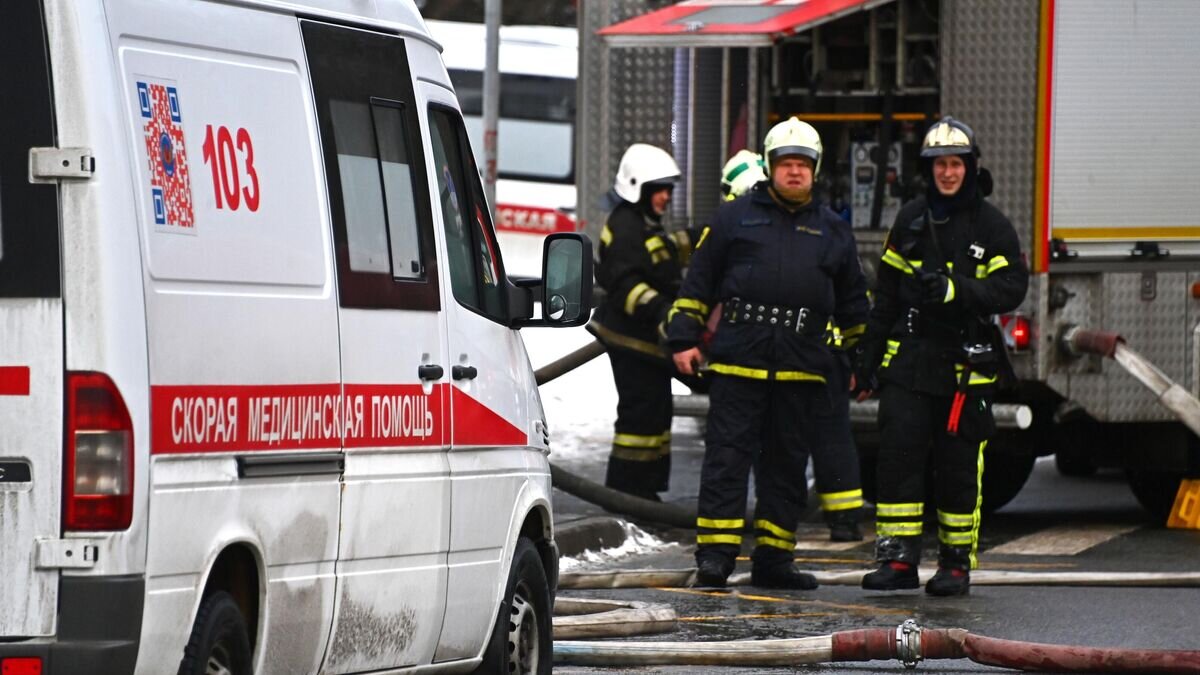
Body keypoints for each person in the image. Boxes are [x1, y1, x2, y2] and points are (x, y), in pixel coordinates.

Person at [668, 118, 870, 589]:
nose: (795, 172)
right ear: (771, 166)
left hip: (801, 369)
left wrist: (863, 361)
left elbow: (854, 303)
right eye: (787, 164)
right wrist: (683, 338)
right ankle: (715, 558)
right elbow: (698, 282)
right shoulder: (733, 218)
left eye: (803, 164)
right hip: (740, 364)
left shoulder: (834, 231)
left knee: (785, 469)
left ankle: (774, 560)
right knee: (727, 461)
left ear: (814, 171)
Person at [854, 117, 1029, 596]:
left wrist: (958, 290)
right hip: (909, 360)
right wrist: (868, 357)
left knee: (957, 467)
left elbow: (1012, 286)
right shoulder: (910, 219)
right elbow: (886, 295)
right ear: (928, 170)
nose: (947, 173)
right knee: (898, 459)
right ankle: (897, 562)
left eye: (956, 164)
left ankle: (955, 564)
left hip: (963, 368)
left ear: (970, 168)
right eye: (939, 165)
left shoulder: (991, 226)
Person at [721, 149, 866, 542]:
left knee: (814, 440)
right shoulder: (749, 220)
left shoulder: (817, 229)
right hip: (802, 353)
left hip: (813, 355)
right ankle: (842, 518)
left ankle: (842, 517)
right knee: (811, 442)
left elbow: (850, 298)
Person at [588, 143, 700, 500]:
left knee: (654, 413)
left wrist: (706, 237)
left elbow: (664, 250)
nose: (666, 197)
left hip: (645, 341)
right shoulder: (625, 227)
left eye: (668, 189)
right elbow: (626, 283)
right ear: (639, 188)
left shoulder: (643, 225)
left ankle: (645, 489)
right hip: (630, 339)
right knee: (640, 416)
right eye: (660, 190)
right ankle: (627, 492)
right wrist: (665, 312)